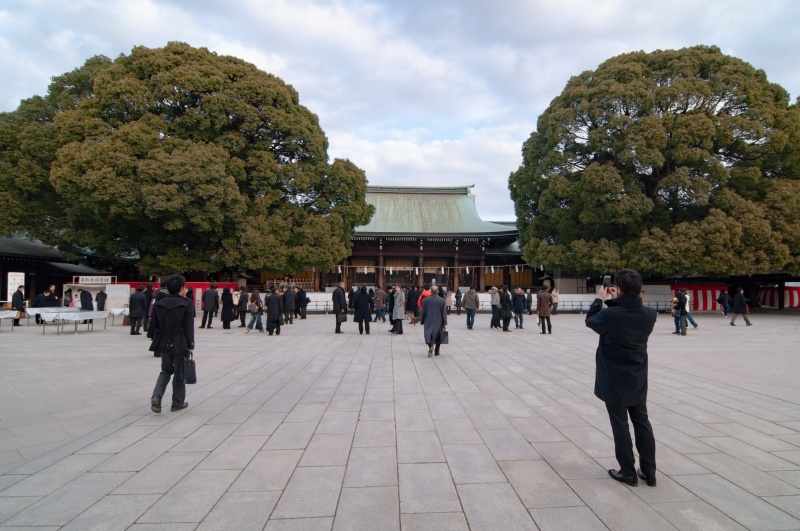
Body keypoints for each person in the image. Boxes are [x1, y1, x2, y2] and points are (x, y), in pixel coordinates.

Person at [585, 268, 657, 488]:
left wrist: (600, 299)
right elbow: (627, 316)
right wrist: (620, 300)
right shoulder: (649, 314)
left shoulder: (610, 314)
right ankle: (649, 472)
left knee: (620, 424)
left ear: (621, 289)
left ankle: (628, 471)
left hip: (615, 377)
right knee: (642, 422)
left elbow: (591, 320)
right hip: (637, 376)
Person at [148, 273, 194, 413]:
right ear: (182, 288)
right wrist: (191, 344)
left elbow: (153, 325)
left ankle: (157, 396)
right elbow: (188, 326)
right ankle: (177, 403)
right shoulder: (186, 303)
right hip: (180, 342)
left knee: (165, 370)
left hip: (164, 341)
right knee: (179, 372)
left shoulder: (159, 304)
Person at [420, 285, 447, 357]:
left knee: (429, 334)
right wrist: (444, 322)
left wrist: (422, 320)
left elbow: (423, 312)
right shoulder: (441, 300)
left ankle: (430, 346)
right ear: (438, 291)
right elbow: (443, 313)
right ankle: (437, 351)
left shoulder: (426, 300)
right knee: (438, 335)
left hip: (428, 320)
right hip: (439, 321)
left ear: (431, 291)